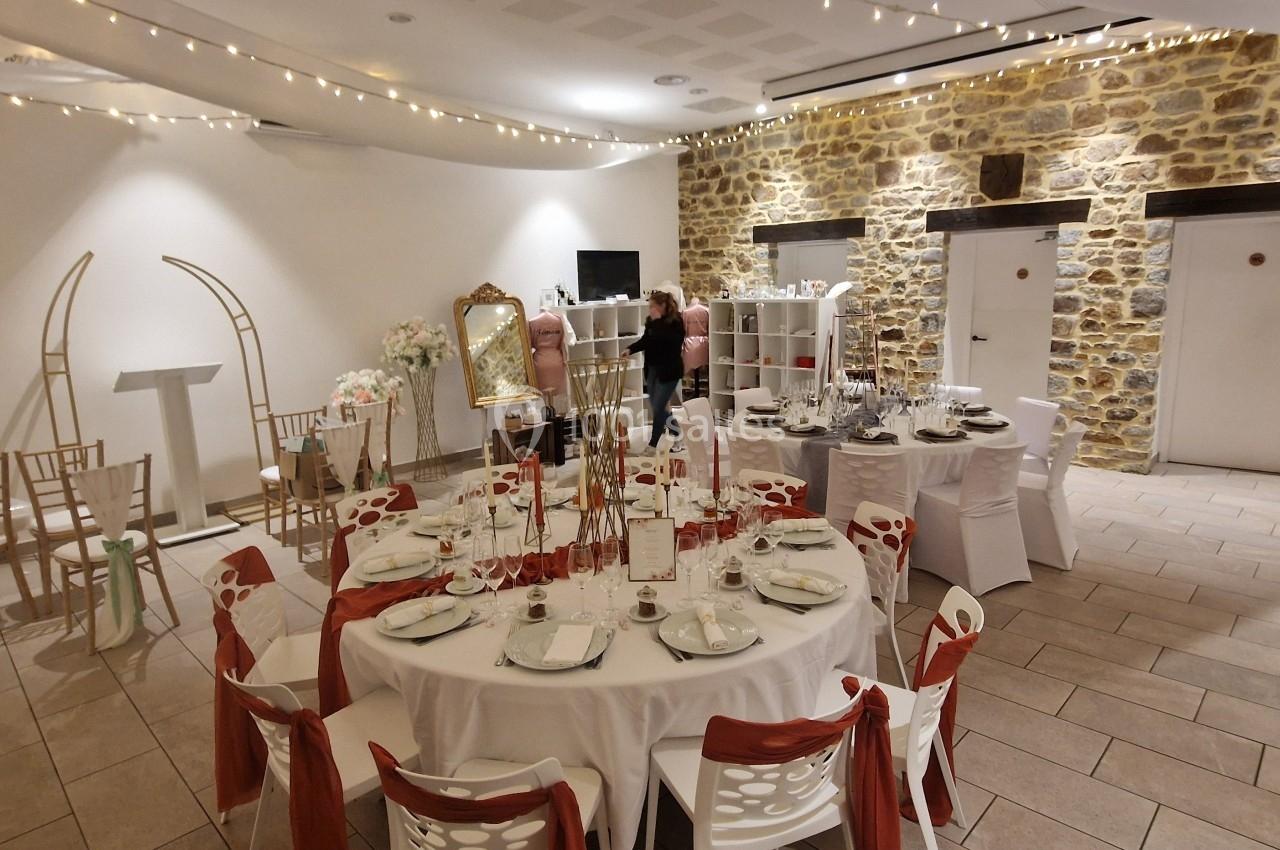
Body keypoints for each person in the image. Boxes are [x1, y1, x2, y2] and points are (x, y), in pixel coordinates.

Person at [625, 290, 686, 450]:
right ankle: (678, 435)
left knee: (659, 408)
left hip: (669, 371)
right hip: (652, 369)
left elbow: (672, 344)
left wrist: (658, 322)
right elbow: (647, 340)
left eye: (652, 305)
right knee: (659, 407)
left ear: (663, 305)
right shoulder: (651, 321)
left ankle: (653, 445)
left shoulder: (676, 321)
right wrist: (630, 349)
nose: (650, 309)